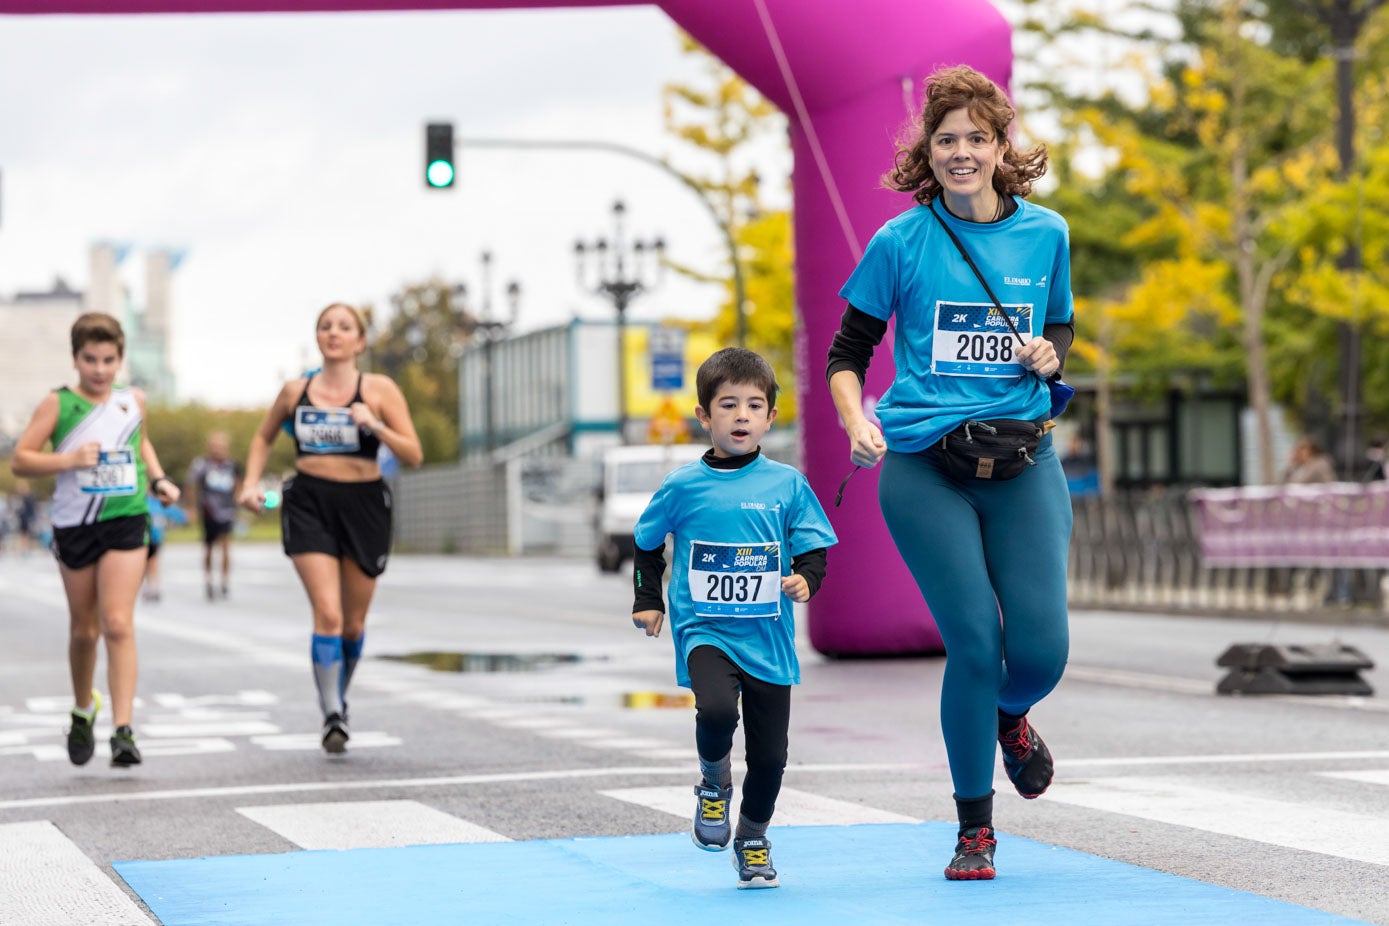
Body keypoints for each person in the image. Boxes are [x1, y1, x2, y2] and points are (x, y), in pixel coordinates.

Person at [826, 65, 1075, 881]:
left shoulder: (1047, 235)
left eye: (975, 138)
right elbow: (847, 354)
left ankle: (1012, 715)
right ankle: (974, 830)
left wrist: (1049, 352)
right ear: (924, 154)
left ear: (1001, 145)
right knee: (974, 642)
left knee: (1038, 651)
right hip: (924, 466)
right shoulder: (899, 242)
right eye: (945, 141)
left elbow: (1059, 327)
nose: (960, 153)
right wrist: (854, 417)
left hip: (1023, 459)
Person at [630, 348, 838, 890]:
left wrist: (806, 581)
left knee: (770, 757)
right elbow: (646, 543)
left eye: (754, 405)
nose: (741, 416)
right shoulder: (682, 486)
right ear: (705, 416)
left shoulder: (788, 485)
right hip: (706, 631)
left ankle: (752, 838)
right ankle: (713, 784)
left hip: (768, 638)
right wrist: (647, 599)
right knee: (717, 709)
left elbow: (815, 549)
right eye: (728, 405)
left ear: (771, 417)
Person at [239, 303, 422, 754]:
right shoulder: (294, 390)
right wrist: (249, 484)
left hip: (364, 505)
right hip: (309, 502)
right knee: (329, 613)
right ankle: (332, 713)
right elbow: (263, 436)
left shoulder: (378, 390)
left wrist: (374, 424)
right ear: (317, 338)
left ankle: (339, 692)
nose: (333, 333)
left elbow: (414, 454)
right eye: (325, 326)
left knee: (353, 625)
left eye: (345, 327)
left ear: (360, 341)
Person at [10, 312, 181, 767]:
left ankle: (124, 730)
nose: (100, 369)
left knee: (118, 623)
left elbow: (139, 443)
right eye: (91, 359)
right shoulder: (57, 404)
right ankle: (84, 708)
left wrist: (160, 478)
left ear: (121, 360)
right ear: (75, 359)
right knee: (84, 630)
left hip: (127, 518)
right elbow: (21, 460)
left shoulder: (133, 400)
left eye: (109, 360)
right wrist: (69, 461)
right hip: (76, 524)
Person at [186, 431, 242, 600]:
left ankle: (224, 581)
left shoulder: (232, 465)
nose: (218, 450)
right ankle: (209, 581)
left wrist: (240, 502)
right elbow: (191, 485)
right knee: (209, 546)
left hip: (227, 510)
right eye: (215, 446)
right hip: (209, 510)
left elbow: (238, 486)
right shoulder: (202, 465)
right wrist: (191, 508)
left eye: (221, 446)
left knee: (225, 545)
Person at [142, 488, 187, 603]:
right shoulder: (144, 502)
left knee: (152, 562)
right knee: (148, 563)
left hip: (156, 538)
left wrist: (185, 516)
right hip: (145, 537)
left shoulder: (158, 503)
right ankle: (151, 586)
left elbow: (177, 514)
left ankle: (153, 586)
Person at [13, 478, 39, 554]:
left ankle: (26, 550)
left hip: (26, 519)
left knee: (26, 534)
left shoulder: (28, 497)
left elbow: (32, 509)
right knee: (22, 534)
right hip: (22, 519)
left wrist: (32, 518)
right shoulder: (21, 497)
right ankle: (23, 549)